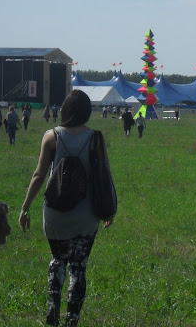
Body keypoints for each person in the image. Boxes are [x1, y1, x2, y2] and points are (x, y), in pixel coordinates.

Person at [18, 90, 114, 327]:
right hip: (86, 215)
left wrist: (25, 207)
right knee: (78, 266)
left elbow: (39, 175)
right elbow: (105, 175)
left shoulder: (51, 136)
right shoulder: (96, 138)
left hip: (55, 213)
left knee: (58, 259)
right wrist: (110, 209)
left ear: (65, 109)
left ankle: (53, 306)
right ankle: (72, 318)